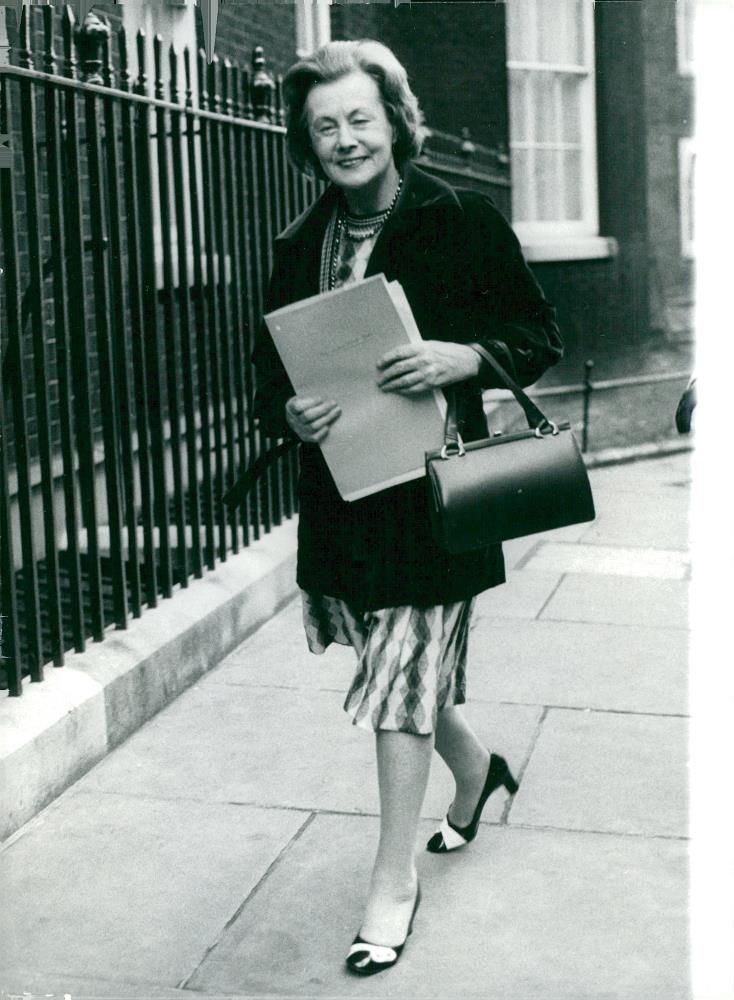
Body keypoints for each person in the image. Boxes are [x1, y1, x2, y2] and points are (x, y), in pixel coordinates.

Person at [251, 39, 563, 976]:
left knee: (397, 690)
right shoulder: (297, 244)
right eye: (324, 127)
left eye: (359, 117)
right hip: (345, 499)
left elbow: (538, 331)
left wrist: (461, 356)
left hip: (434, 498)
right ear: (309, 145)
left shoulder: (459, 219)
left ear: (393, 120)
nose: (345, 139)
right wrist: (290, 412)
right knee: (395, 672)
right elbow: (270, 376)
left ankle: (393, 880)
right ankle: (476, 769)